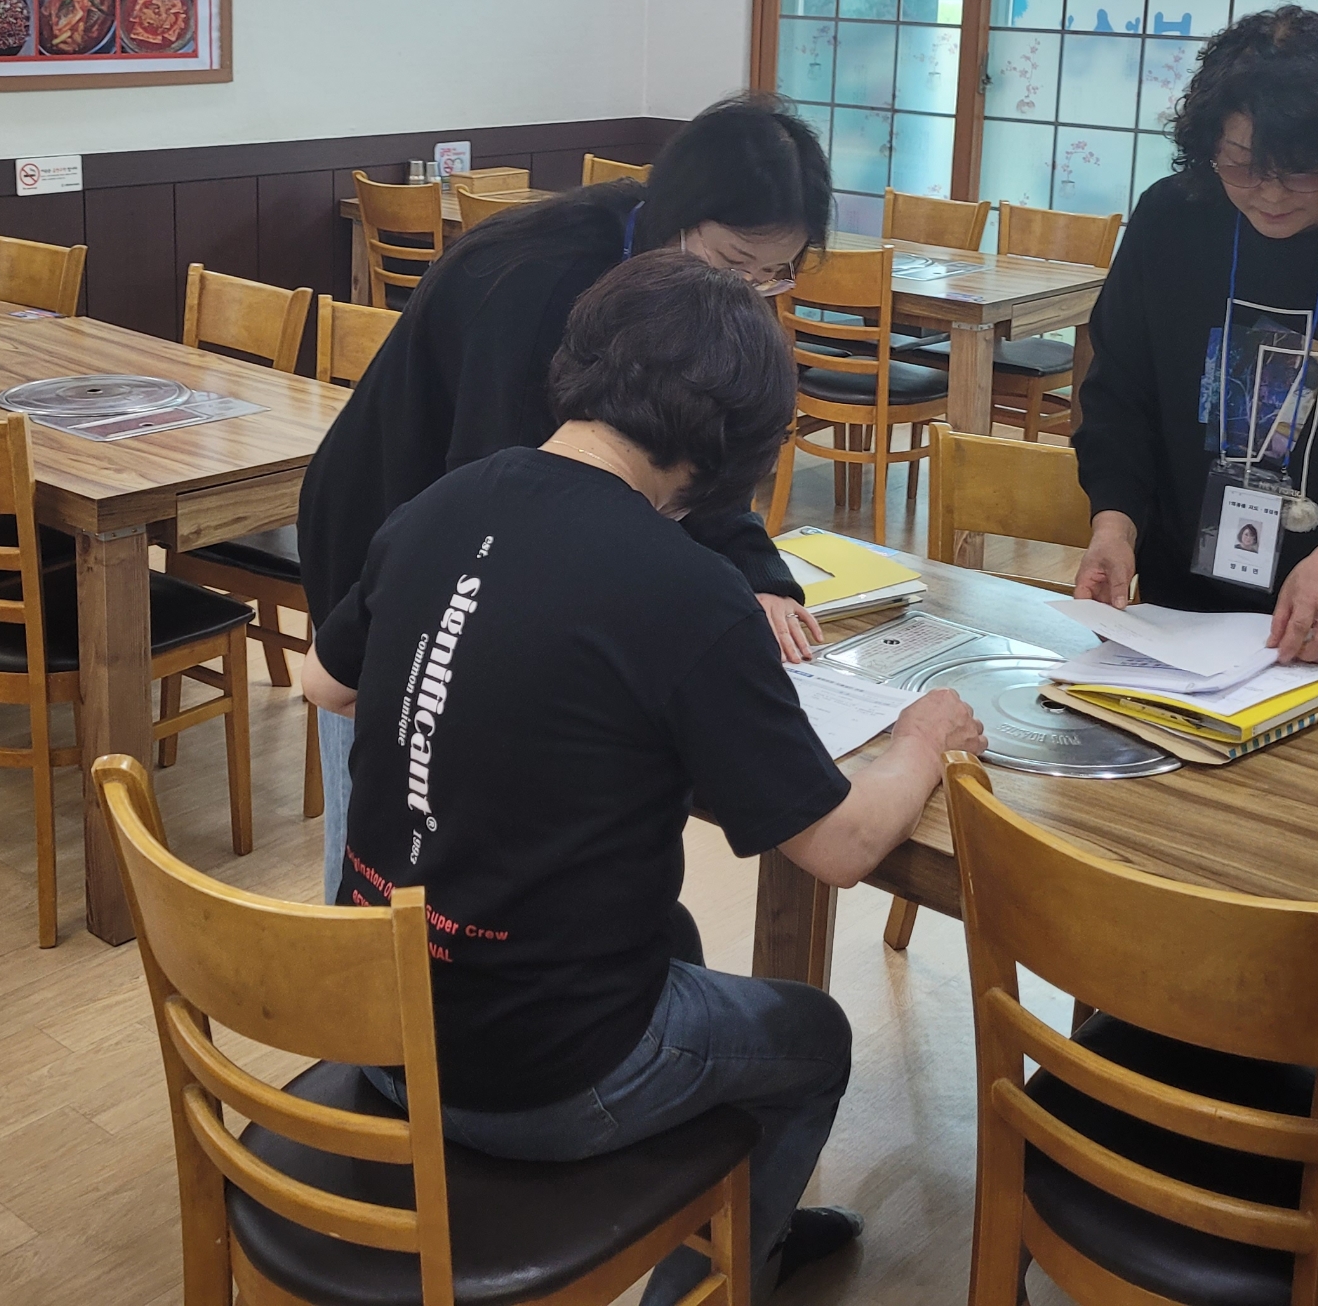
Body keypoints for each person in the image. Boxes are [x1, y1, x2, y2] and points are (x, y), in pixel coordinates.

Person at [307, 252, 985, 1306]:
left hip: (379, 1020)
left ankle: (710, 1211)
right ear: (734, 449)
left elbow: (324, 682)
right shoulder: (688, 588)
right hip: (533, 1073)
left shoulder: (445, 500)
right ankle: (721, 1273)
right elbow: (841, 847)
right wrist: (924, 738)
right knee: (813, 1039)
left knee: (677, 942)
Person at [300, 93, 836, 902]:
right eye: (737, 262)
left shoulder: (682, 286)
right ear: (678, 216)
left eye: (776, 275)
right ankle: (361, 960)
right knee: (395, 801)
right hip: (394, 518)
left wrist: (757, 573)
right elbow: (497, 493)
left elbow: (690, 440)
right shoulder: (540, 279)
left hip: (477, 516)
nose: (752, 289)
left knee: (488, 813)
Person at [1072, 6, 1318, 664]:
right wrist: (1114, 521)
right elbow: (1118, 393)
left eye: (1302, 172)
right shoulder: (1172, 219)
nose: (1270, 194)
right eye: (1242, 165)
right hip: (1178, 609)